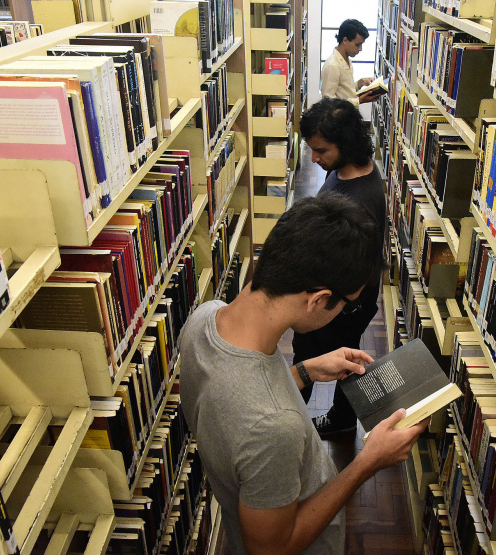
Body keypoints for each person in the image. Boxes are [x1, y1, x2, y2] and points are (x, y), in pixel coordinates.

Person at [179, 193, 427, 554]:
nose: (347, 311)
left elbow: (234, 402)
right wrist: (368, 462)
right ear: (317, 298)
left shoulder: (205, 318)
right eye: (348, 304)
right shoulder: (276, 429)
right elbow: (272, 549)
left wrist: (305, 372)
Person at [295, 97, 387, 436]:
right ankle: (340, 418)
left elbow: (355, 273)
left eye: (321, 151)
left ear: (344, 145)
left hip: (341, 303)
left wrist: (321, 305)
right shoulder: (350, 168)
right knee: (336, 355)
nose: (314, 158)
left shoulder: (358, 202)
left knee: (322, 358)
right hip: (338, 298)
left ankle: (298, 425)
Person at [321, 19, 385, 106]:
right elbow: (328, 103)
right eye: (357, 44)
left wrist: (360, 83)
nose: (360, 49)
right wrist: (359, 101)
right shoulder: (332, 66)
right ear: (345, 41)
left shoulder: (346, 60)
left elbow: (344, 91)